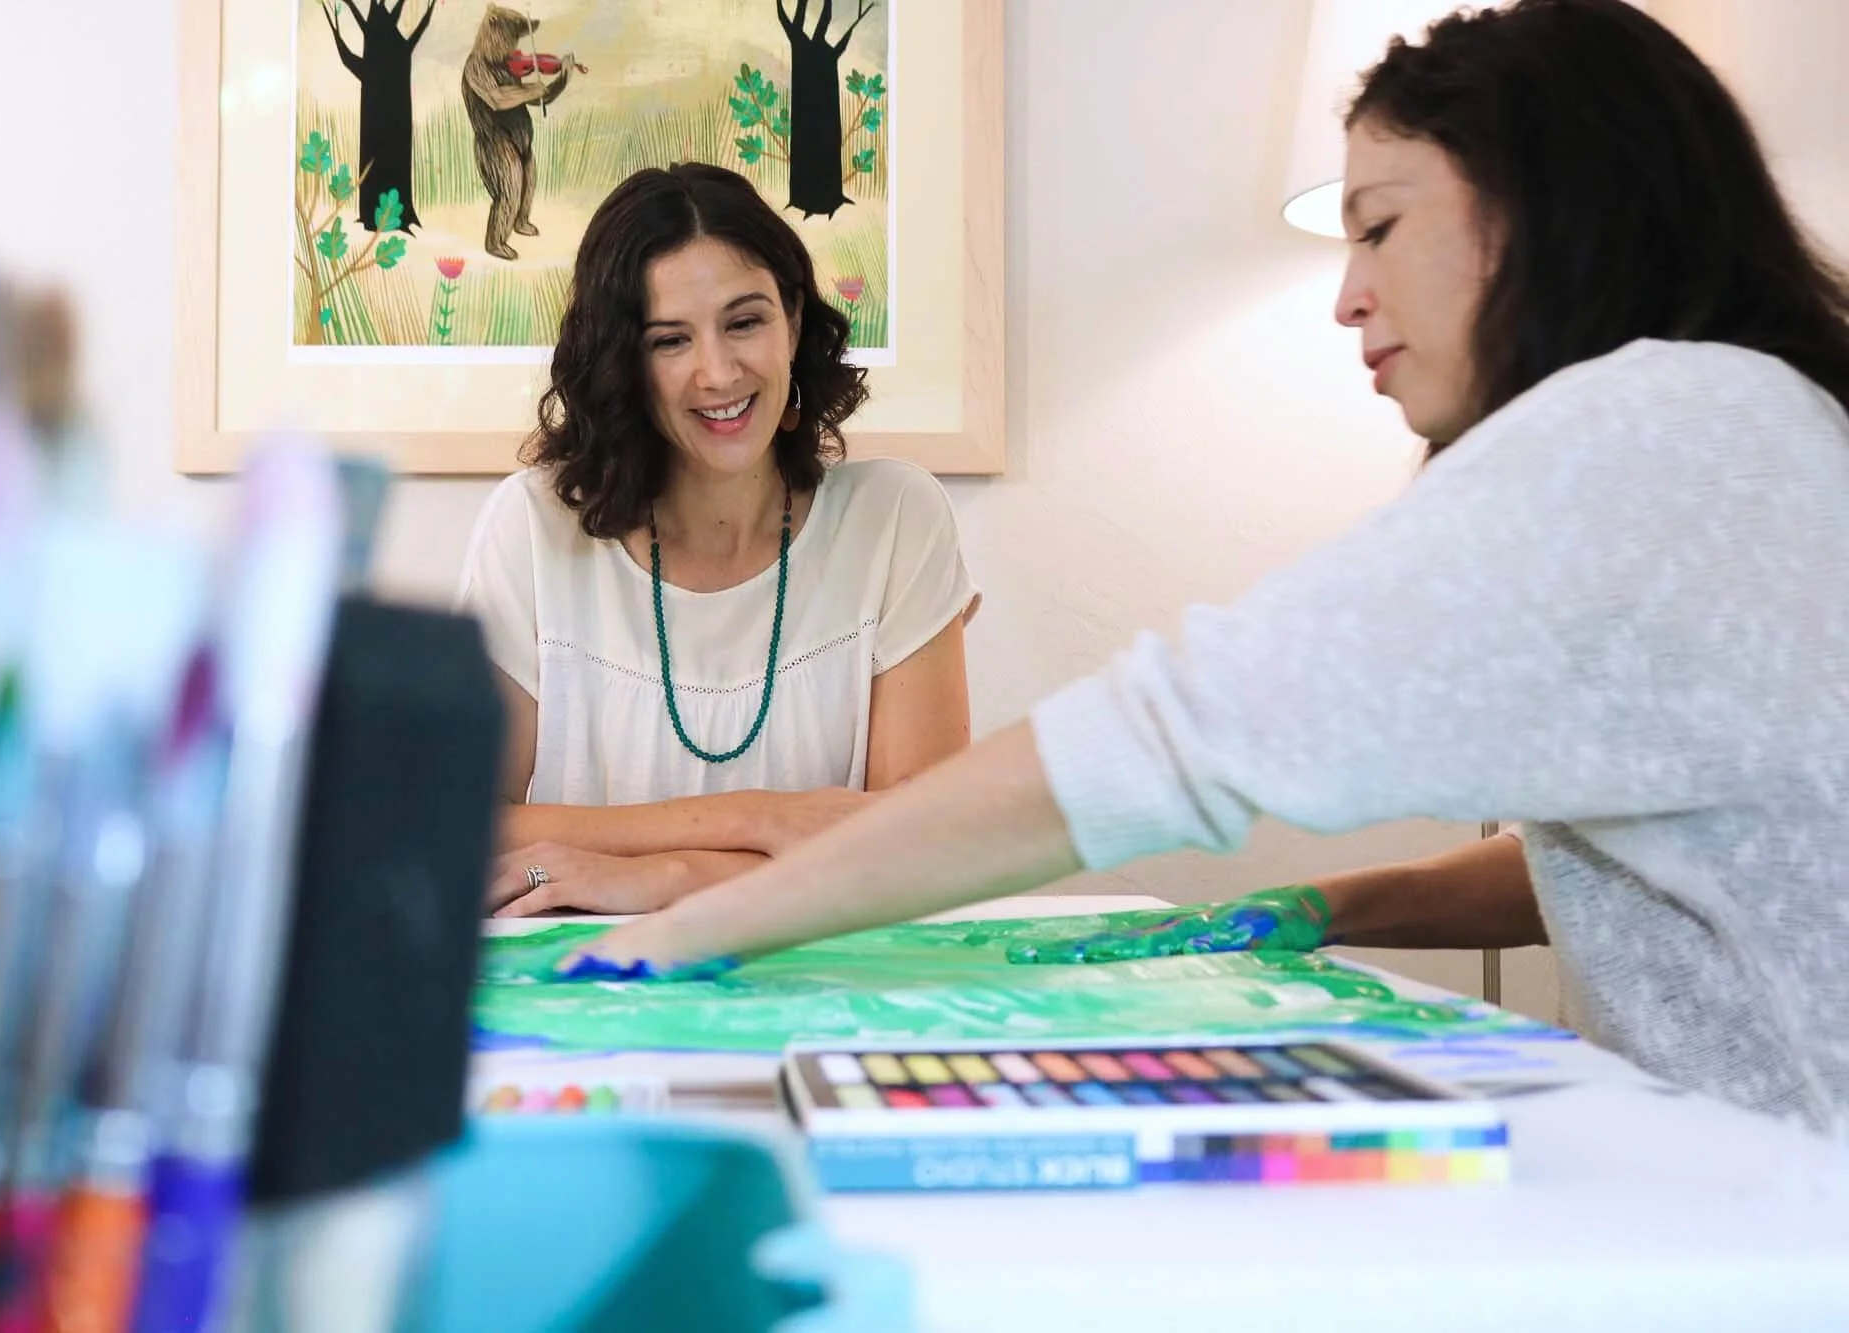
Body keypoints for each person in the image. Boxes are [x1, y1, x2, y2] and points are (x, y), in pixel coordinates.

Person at [570, 0, 1849, 1134]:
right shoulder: (1745, 421)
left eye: (1379, 228)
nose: (1346, 296)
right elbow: (1634, 855)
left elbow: (1162, 736)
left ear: (1533, 211)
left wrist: (686, 932)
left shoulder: (1650, 439)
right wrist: (1321, 902)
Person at [459, 163, 978, 918]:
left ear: (793, 323)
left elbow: (932, 845)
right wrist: (759, 818)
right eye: (670, 339)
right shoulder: (532, 529)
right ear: (624, 364)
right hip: (589, 993)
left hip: (830, 986)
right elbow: (464, 826)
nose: (719, 371)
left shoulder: (896, 518)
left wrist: (670, 878)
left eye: (745, 321)